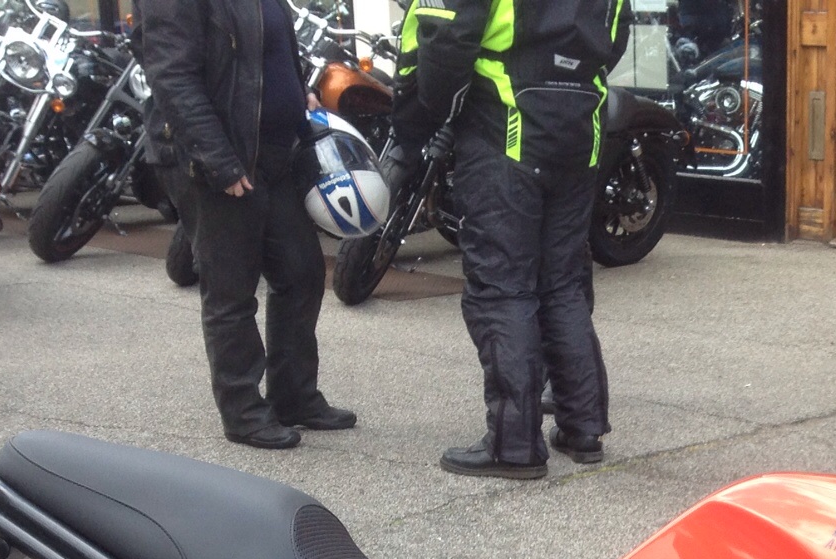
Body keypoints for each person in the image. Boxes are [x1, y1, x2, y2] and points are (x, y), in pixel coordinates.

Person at [400, 0, 628, 479]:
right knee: (562, 283)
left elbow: (446, 34)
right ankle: (583, 428)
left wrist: (432, 114)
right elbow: (616, 34)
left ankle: (514, 445)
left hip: (504, 122)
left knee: (501, 288)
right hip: (579, 125)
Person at [142, 0, 357, 449]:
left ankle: (294, 397)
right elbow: (172, 77)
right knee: (231, 289)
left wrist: (299, 95)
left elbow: (267, 53)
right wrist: (217, 159)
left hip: (273, 153)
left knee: (302, 273)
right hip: (220, 158)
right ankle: (242, 411)